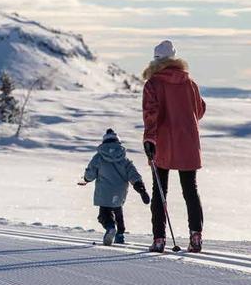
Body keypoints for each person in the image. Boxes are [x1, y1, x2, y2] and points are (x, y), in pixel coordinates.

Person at [141, 41, 207, 253]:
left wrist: (149, 140)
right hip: (188, 142)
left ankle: (159, 239)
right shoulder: (190, 83)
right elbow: (200, 109)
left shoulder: (152, 84)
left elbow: (151, 115)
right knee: (191, 190)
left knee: (160, 191)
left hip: (162, 142)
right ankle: (195, 236)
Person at [79, 128, 150, 246]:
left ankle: (110, 228)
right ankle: (120, 235)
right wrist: (140, 188)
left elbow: (91, 173)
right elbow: (133, 174)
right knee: (118, 210)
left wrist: (86, 179)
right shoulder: (124, 159)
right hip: (119, 191)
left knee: (104, 214)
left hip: (104, 192)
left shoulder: (99, 157)